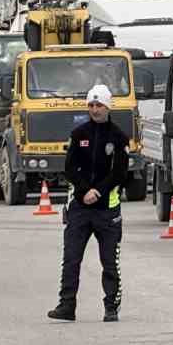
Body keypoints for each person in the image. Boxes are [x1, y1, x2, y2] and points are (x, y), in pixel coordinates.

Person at [49, 84, 130, 324]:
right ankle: (67, 306)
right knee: (71, 259)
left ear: (108, 107)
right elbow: (70, 168)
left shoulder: (118, 137)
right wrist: (85, 191)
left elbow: (120, 173)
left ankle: (111, 307)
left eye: (99, 105)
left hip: (107, 211)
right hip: (80, 208)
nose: (95, 110)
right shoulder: (79, 134)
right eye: (91, 105)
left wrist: (99, 191)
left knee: (109, 261)